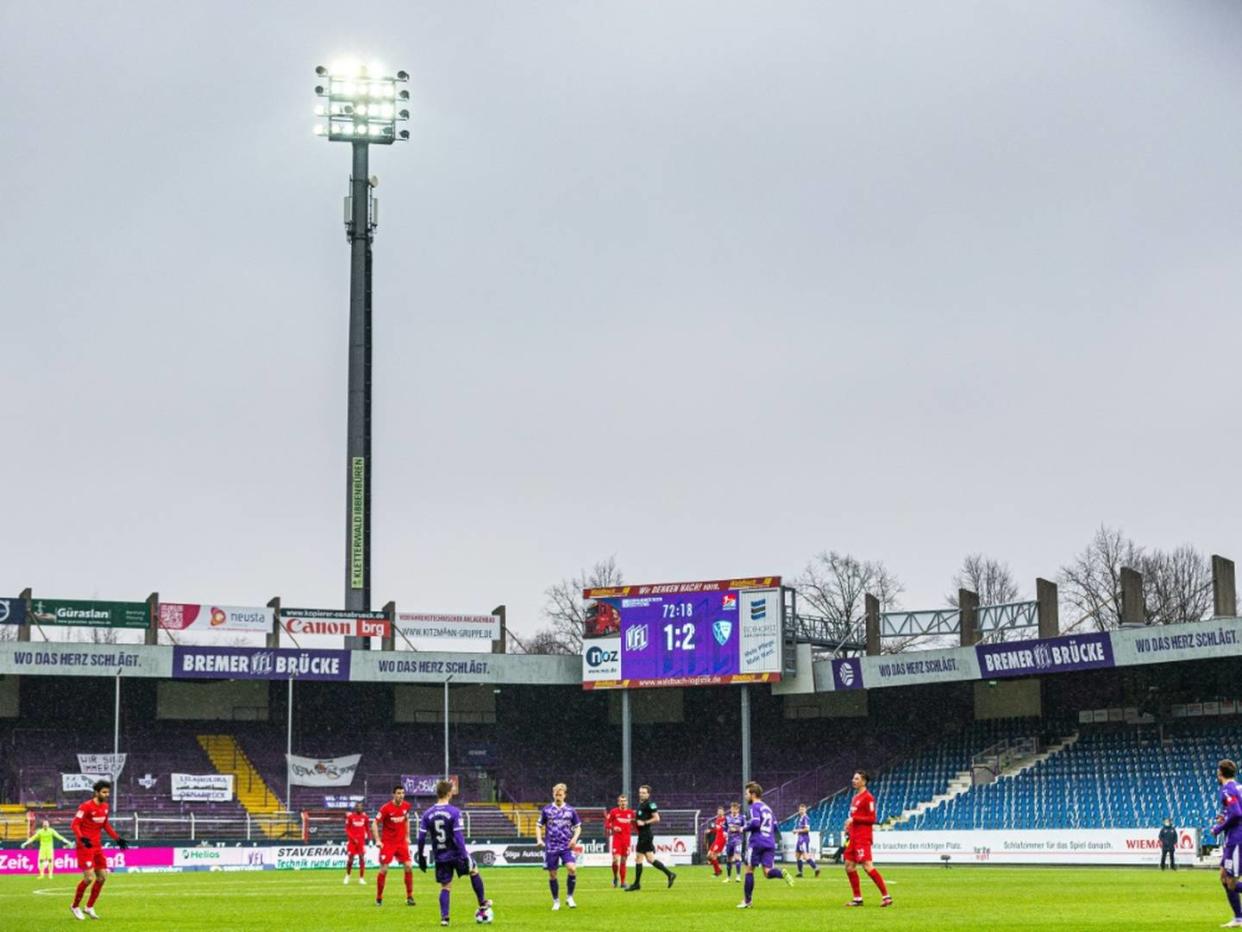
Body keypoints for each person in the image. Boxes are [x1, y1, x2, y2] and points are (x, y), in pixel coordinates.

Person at [416, 779, 493, 927]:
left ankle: (445, 918)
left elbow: (420, 838)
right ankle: (482, 902)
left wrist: (421, 856)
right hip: (456, 853)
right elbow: (458, 837)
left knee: (445, 887)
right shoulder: (454, 812)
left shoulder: (427, 814)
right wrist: (464, 855)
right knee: (474, 870)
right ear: (449, 793)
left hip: (440, 855)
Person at [70, 779, 129, 921]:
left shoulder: (105, 807)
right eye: (104, 792)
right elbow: (75, 824)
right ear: (96, 792)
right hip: (85, 846)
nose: (106, 794)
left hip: (97, 847)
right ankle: (75, 906)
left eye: (108, 792)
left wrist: (118, 838)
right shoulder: (85, 807)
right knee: (89, 878)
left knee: (102, 877)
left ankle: (89, 907)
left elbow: (105, 825)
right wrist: (81, 837)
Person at [737, 781, 794, 908]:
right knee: (768, 872)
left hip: (757, 841)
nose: (745, 796)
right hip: (769, 842)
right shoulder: (768, 808)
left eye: (747, 794)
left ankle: (747, 901)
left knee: (748, 870)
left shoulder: (754, 807)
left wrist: (743, 828)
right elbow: (775, 826)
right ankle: (781, 873)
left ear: (753, 794)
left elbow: (756, 824)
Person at [843, 770, 891, 908]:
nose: (853, 780)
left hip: (863, 837)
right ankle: (857, 898)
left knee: (867, 866)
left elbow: (872, 819)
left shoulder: (868, 797)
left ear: (864, 781)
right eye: (853, 778)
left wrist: (854, 819)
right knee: (849, 866)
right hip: (853, 837)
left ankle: (886, 896)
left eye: (857, 778)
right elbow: (855, 818)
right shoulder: (855, 797)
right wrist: (850, 826)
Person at [536, 782, 581, 910]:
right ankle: (556, 901)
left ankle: (570, 897)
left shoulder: (570, 810)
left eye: (560, 795)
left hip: (566, 846)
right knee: (552, 874)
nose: (558, 797)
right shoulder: (547, 810)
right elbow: (538, 825)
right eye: (556, 794)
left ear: (564, 795)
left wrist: (574, 839)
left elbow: (578, 828)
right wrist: (539, 839)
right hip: (551, 847)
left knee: (572, 869)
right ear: (553, 794)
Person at [626, 784, 676, 891]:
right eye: (640, 792)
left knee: (639, 858)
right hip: (643, 834)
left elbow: (657, 818)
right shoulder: (641, 804)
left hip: (645, 835)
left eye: (644, 793)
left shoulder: (650, 804)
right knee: (650, 859)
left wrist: (644, 822)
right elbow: (640, 820)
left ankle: (636, 884)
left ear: (648, 794)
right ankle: (670, 874)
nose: (641, 794)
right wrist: (632, 821)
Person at [372, 784, 415, 907]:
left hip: (401, 843)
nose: (401, 796)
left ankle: (409, 896)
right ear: (393, 794)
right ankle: (379, 898)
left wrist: (407, 837)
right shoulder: (386, 808)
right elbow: (374, 824)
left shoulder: (406, 806)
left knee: (408, 866)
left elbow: (406, 820)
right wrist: (378, 840)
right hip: (388, 843)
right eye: (398, 793)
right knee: (384, 869)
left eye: (402, 793)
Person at [1212, 759, 1242, 928]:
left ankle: (1239, 917)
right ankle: (1238, 918)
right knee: (1223, 876)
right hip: (1236, 837)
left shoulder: (1226, 789)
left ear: (1220, 773)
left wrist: (1219, 828)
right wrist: (1224, 815)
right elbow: (1236, 810)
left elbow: (1237, 813)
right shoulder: (1239, 787)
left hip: (1237, 839)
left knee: (1231, 882)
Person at [604, 793, 635, 888]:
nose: (623, 803)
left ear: (627, 802)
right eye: (621, 801)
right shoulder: (614, 812)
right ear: (618, 802)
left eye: (624, 801)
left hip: (626, 841)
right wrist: (614, 827)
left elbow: (635, 825)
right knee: (615, 860)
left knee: (623, 861)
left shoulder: (631, 813)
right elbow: (607, 824)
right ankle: (615, 877)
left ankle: (622, 882)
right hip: (617, 840)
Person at [344, 801, 371, 885]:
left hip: (361, 842)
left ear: (362, 807)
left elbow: (367, 829)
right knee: (350, 860)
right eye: (357, 806)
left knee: (362, 859)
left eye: (360, 806)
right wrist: (352, 838)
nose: (359, 808)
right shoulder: (350, 817)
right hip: (352, 842)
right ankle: (348, 876)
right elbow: (347, 830)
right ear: (355, 808)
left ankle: (361, 878)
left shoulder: (365, 817)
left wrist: (370, 840)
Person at [794, 803, 820, 878]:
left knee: (805, 856)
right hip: (800, 839)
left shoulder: (806, 818)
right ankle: (800, 872)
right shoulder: (801, 818)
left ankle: (816, 868)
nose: (801, 810)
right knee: (797, 855)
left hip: (803, 839)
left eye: (802, 809)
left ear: (805, 810)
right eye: (800, 809)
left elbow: (807, 829)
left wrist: (797, 830)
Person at [724, 801, 746, 882]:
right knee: (729, 859)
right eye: (732, 809)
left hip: (738, 840)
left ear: (738, 810)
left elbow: (745, 826)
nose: (733, 810)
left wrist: (738, 829)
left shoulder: (741, 817)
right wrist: (725, 833)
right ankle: (728, 877)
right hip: (729, 840)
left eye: (735, 809)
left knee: (737, 857)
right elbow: (725, 827)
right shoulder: (727, 817)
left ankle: (738, 876)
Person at [705, 806, 727, 877]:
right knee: (708, 856)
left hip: (721, 840)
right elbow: (717, 829)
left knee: (712, 855)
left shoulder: (726, 819)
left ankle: (717, 872)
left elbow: (727, 829)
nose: (719, 812)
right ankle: (719, 869)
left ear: (723, 812)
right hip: (716, 840)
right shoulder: (717, 820)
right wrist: (710, 831)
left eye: (721, 811)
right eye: (718, 811)